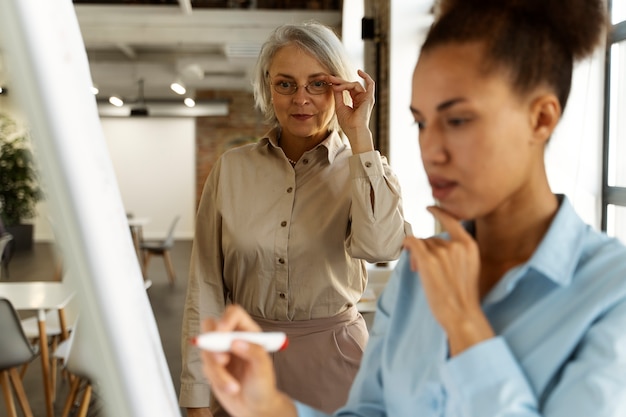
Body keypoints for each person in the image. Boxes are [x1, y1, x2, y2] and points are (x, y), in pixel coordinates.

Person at [197, 0, 626, 416]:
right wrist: (271, 408)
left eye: (457, 120)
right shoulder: (418, 277)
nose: (430, 150)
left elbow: (379, 243)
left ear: (541, 119)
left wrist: (465, 327)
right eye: (420, 122)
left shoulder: (612, 293)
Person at [179, 21, 411, 417]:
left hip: (337, 364)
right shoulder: (230, 170)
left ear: (340, 87)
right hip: (245, 362)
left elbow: (382, 249)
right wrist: (196, 391)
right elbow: (205, 286)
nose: (301, 98)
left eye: (318, 84)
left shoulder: (367, 170)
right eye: (286, 84)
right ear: (269, 87)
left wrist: (359, 137)